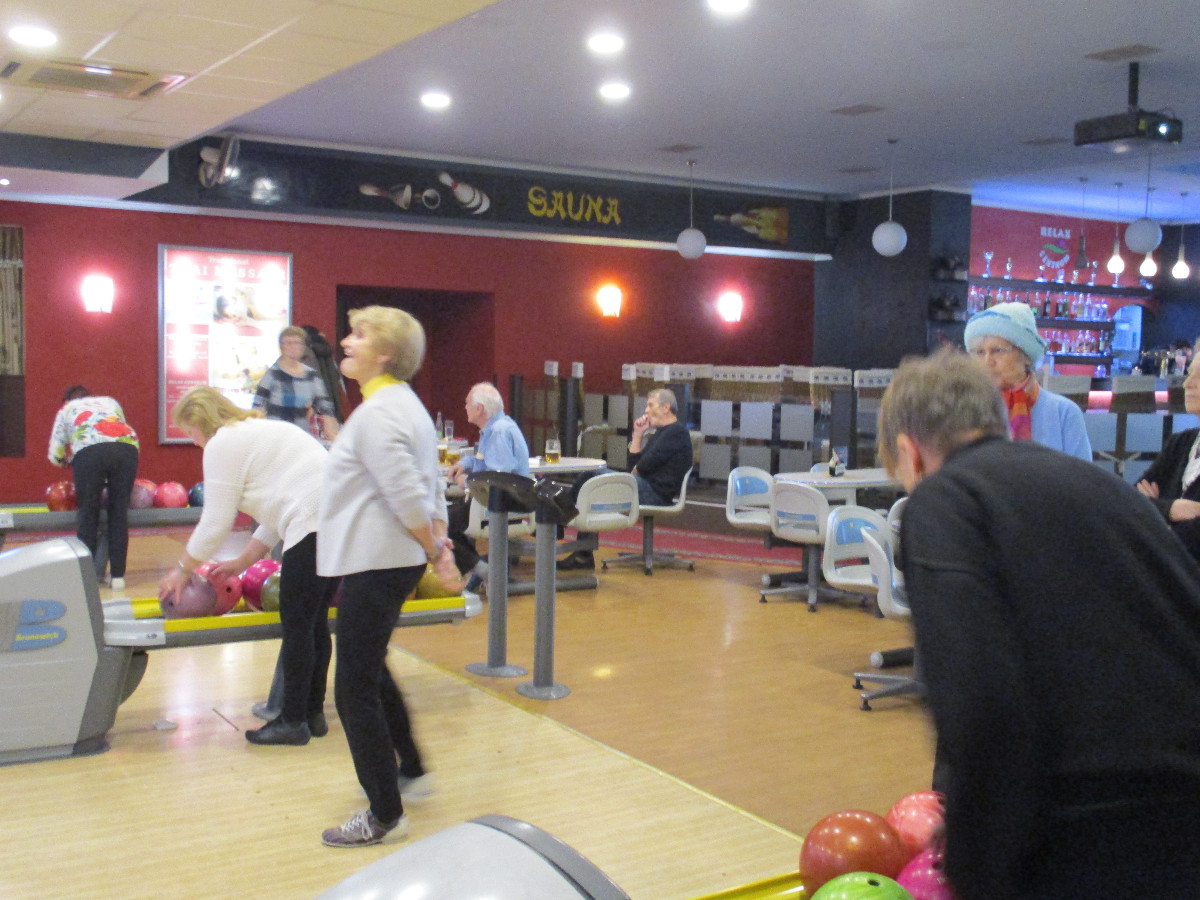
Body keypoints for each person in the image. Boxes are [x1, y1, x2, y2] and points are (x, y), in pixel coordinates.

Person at [877, 348, 1200, 900]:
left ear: (912, 453)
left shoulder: (945, 499)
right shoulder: (1100, 486)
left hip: (1083, 834)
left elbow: (979, 699)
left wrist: (975, 864)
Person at [317, 305, 458, 848]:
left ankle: (384, 814)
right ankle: (412, 768)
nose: (346, 342)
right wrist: (437, 543)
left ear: (385, 353)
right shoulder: (401, 405)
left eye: (359, 335)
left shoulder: (379, 412)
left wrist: (436, 549)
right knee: (371, 671)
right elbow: (432, 484)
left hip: (379, 562)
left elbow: (408, 493)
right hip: (384, 560)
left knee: (352, 689)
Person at [157, 386, 338, 746]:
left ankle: (292, 721)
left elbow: (216, 521)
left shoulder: (222, 443)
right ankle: (311, 715)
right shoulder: (259, 431)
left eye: (190, 432)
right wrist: (243, 561)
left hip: (313, 523)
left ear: (200, 422)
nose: (193, 441)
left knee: (298, 626)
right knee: (313, 623)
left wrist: (183, 569)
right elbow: (279, 509)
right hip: (339, 523)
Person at [558, 387, 692, 570]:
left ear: (666, 407)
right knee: (592, 481)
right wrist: (637, 435)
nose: (646, 410)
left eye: (650, 405)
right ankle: (579, 549)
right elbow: (634, 468)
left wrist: (637, 469)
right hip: (643, 487)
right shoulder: (662, 433)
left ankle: (561, 521)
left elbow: (641, 467)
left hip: (656, 494)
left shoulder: (675, 432)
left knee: (592, 478)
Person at [963, 301, 1092, 460]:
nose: (988, 361)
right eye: (979, 352)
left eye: (998, 350)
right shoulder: (962, 411)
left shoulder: (1063, 413)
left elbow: (1081, 474)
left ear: (1026, 356)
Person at [47, 385, 140, 591]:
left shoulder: (66, 410)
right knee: (119, 512)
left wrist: (67, 461)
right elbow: (116, 430)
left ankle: (86, 576)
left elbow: (55, 455)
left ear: (67, 401)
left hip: (89, 451)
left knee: (88, 512)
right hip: (127, 447)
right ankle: (117, 577)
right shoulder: (110, 401)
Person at [444, 382, 531, 593]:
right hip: (497, 502)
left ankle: (484, 571)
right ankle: (480, 570)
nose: (464, 407)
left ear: (479, 408)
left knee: (440, 523)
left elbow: (497, 479)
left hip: (500, 506)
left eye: (467, 403)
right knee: (450, 518)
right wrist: (464, 464)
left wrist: (466, 481)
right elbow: (483, 461)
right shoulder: (496, 427)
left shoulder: (498, 432)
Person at [1136, 337, 1200, 564]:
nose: (1187, 384)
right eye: (1189, 373)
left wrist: (1155, 517)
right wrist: (1171, 509)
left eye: (1199, 376)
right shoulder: (1180, 443)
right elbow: (1132, 502)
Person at [253, 325, 340, 443]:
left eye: (297, 343)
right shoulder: (272, 374)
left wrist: (334, 437)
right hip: (274, 437)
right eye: (288, 343)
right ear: (281, 346)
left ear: (303, 347)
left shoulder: (312, 375)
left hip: (300, 437)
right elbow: (258, 407)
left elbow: (326, 408)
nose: (293, 347)